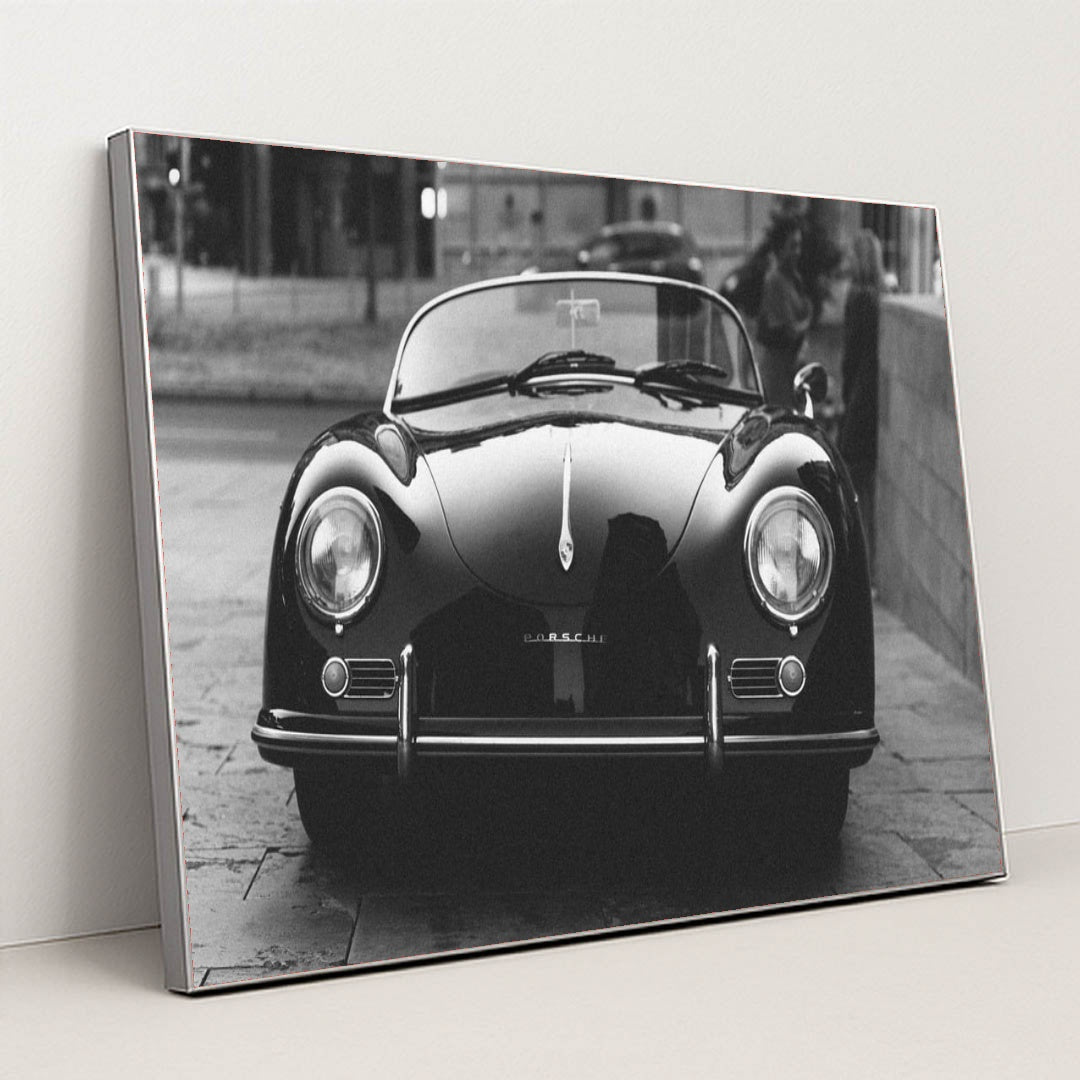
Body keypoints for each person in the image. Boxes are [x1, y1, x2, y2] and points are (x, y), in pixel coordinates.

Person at [839, 228, 886, 565]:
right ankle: (869, 564)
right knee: (866, 485)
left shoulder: (858, 298)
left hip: (859, 398)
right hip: (873, 399)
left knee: (851, 482)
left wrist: (844, 396)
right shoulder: (880, 297)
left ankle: (860, 563)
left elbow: (851, 357)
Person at [756, 219, 813, 407]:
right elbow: (789, 329)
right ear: (780, 249)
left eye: (799, 245)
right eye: (792, 246)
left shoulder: (793, 278)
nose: (797, 252)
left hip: (792, 368)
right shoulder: (775, 281)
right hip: (777, 370)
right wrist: (807, 320)